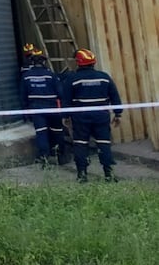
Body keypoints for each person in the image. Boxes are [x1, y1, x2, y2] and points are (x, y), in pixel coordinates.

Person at [62, 48, 123, 182]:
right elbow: (115, 96)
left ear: (78, 63)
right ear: (93, 62)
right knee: (104, 143)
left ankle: (82, 175)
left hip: (81, 117)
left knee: (80, 144)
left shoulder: (72, 79)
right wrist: (118, 114)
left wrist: (66, 116)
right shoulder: (104, 77)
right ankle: (109, 174)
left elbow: (66, 99)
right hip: (101, 116)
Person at [19, 44, 68, 166]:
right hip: (52, 108)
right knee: (57, 132)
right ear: (43, 62)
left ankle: (44, 158)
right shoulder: (50, 75)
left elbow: (22, 96)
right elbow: (60, 93)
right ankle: (60, 156)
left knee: (41, 133)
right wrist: (63, 108)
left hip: (36, 109)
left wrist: (25, 111)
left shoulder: (26, 76)